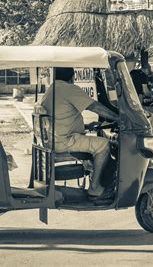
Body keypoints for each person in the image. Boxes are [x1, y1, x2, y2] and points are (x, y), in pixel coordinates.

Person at [40, 67, 118, 200]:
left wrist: (87, 126)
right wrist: (118, 118)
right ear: (73, 77)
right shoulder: (68, 88)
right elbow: (94, 107)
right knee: (104, 145)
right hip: (65, 140)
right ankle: (95, 189)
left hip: (56, 138)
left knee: (97, 141)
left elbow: (61, 117)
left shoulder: (52, 89)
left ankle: (96, 177)